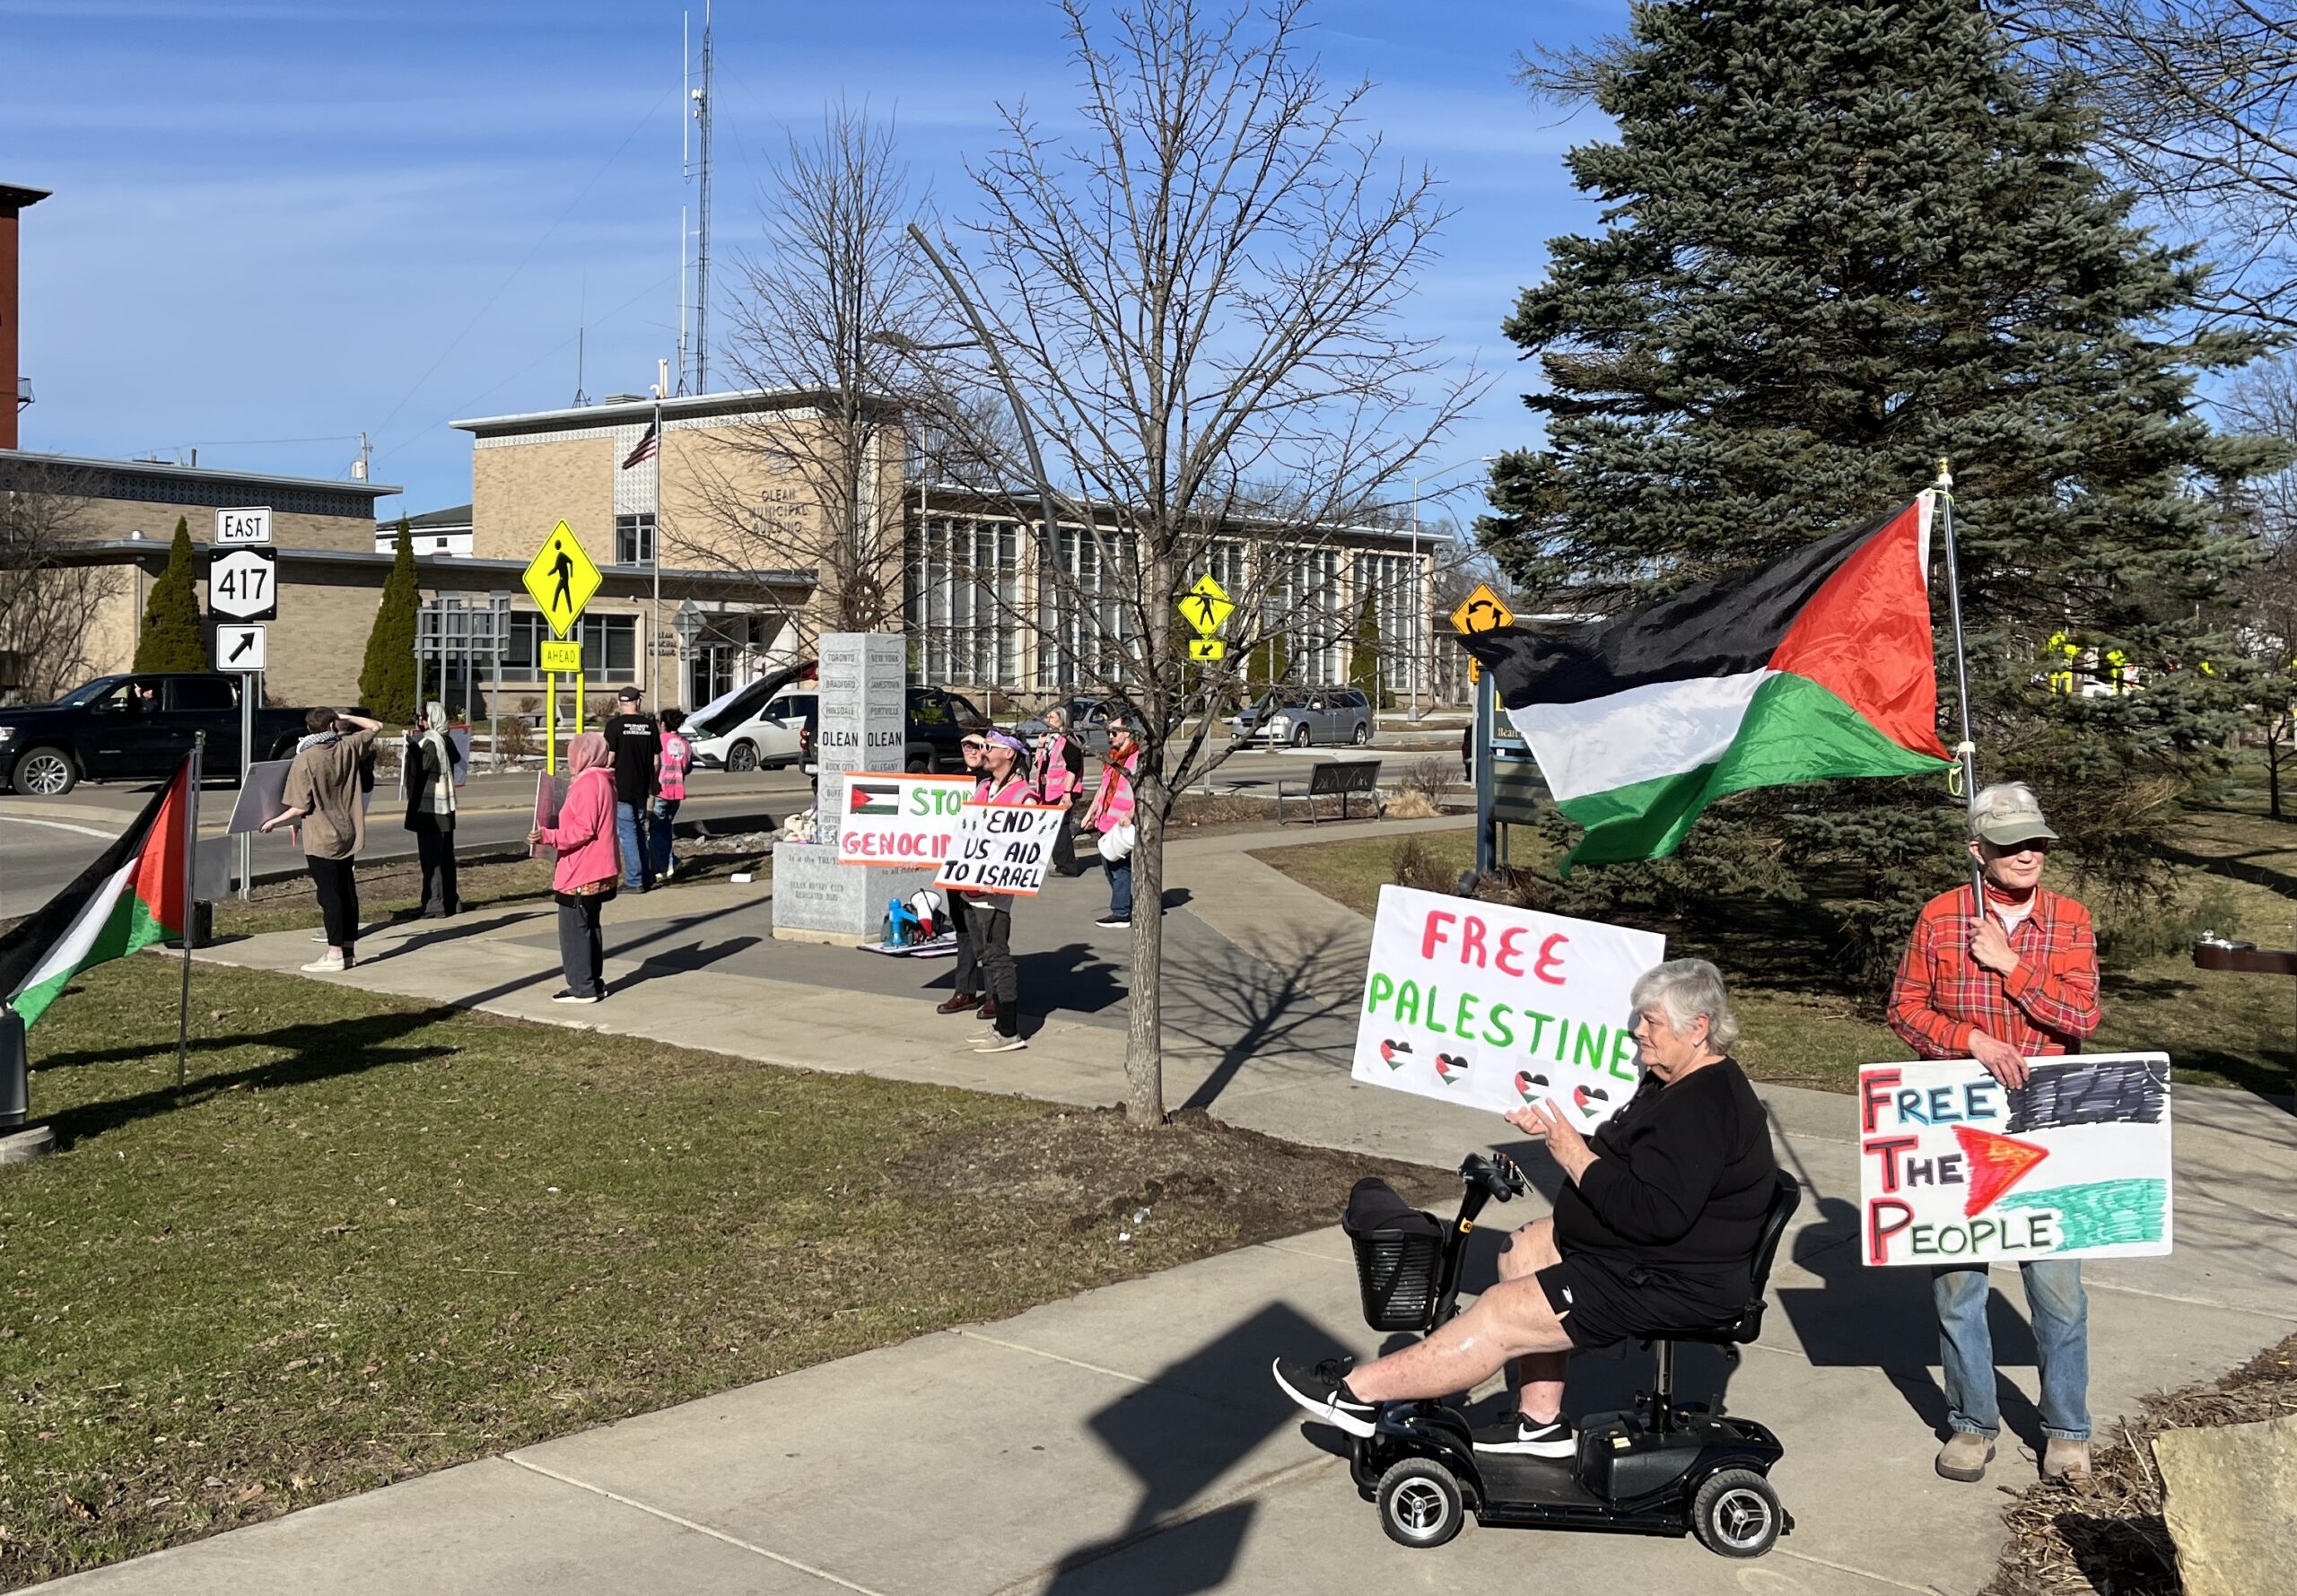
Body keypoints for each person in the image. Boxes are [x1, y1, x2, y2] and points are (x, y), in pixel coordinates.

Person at [1273, 959, 1777, 1457]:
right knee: (1524, 1248)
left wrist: (1576, 1157)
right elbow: (1639, 1171)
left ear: (1699, 1029)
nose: (1638, 1033)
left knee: (1498, 1313)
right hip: (1651, 1259)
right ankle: (1540, 1427)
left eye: (1652, 1022)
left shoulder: (1702, 1108)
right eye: (1640, 1018)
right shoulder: (1676, 1085)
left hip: (1671, 1280)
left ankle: (1358, 1394)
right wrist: (1561, 1137)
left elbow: (1654, 1214)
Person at [1888, 781, 2100, 1484]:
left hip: (2049, 1128)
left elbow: (2082, 1018)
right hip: (1957, 1124)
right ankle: (1973, 1422)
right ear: (1979, 850)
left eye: (2037, 841)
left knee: (2059, 1292)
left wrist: (2013, 967)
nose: (2028, 853)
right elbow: (1905, 1009)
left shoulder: (2070, 920)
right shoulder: (1941, 916)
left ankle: (2067, 1427)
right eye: (2011, 843)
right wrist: (1970, 1038)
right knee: (1958, 1289)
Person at [261, 707, 383, 972]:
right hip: (348, 832)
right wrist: (348, 718)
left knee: (330, 896)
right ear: (332, 726)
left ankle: (335, 953)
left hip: (321, 837)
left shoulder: (305, 759)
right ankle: (349, 950)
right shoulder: (347, 746)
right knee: (347, 891)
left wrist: (273, 821)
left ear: (308, 730)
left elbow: (299, 807)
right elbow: (376, 726)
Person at [528, 732, 621, 1003]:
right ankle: (592, 982)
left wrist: (548, 836)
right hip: (599, 867)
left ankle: (582, 986)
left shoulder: (588, 783)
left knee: (574, 930)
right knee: (590, 926)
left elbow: (583, 829)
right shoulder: (603, 779)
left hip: (582, 868)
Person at [963, 729, 1036, 1053]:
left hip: (996, 891)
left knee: (998, 957)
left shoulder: (1025, 795)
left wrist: (1002, 875)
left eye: (990, 747)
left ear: (1009, 754)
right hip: (970, 887)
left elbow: (1028, 843)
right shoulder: (983, 787)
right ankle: (999, 1025)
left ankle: (1009, 1030)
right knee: (985, 957)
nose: (984, 751)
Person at [935, 732, 994, 1020]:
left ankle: (996, 996)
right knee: (963, 931)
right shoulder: (953, 778)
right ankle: (965, 991)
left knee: (988, 933)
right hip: (955, 865)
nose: (971, 750)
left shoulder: (995, 779)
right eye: (966, 745)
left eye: (977, 745)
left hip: (983, 868)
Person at [402, 701, 459, 919]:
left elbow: (423, 767)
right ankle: (451, 901)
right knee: (446, 857)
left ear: (432, 719)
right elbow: (454, 759)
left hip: (431, 808)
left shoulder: (431, 743)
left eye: (423, 718)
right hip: (446, 807)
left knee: (432, 859)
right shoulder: (447, 740)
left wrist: (412, 748)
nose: (419, 722)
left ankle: (434, 904)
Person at [1081, 715, 1140, 929]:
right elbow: (1103, 789)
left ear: (1127, 732)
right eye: (1108, 732)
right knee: (1109, 867)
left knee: (1119, 868)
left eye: (1114, 732)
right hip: (1105, 821)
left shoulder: (1136, 758)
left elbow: (1142, 791)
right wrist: (1090, 813)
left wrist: (1131, 814)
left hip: (1121, 823)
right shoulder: (1112, 757)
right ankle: (1125, 903)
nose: (1110, 736)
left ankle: (1122, 912)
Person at [602, 686, 662, 893]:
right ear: (638, 702)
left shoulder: (614, 726)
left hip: (622, 786)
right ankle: (646, 876)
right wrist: (654, 783)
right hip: (642, 786)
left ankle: (635, 880)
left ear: (620, 703)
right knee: (639, 830)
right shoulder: (650, 726)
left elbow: (610, 757)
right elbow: (656, 760)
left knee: (628, 833)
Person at [1034, 706, 1087, 877]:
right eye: (1047, 717)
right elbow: (1038, 764)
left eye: (1052, 717)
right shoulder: (1051, 740)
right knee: (1054, 827)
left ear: (1062, 720)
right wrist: (1040, 746)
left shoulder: (1068, 740)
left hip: (1062, 791)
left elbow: (1073, 767)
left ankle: (1067, 866)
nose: (1048, 721)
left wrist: (1067, 793)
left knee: (1061, 827)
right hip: (1049, 791)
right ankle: (1062, 863)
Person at [652, 708, 693, 882]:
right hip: (677, 790)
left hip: (662, 789)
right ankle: (664, 864)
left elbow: (655, 763)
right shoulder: (685, 744)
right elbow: (688, 767)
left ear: (663, 724)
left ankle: (667, 864)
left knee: (656, 830)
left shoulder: (659, 741)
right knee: (665, 829)